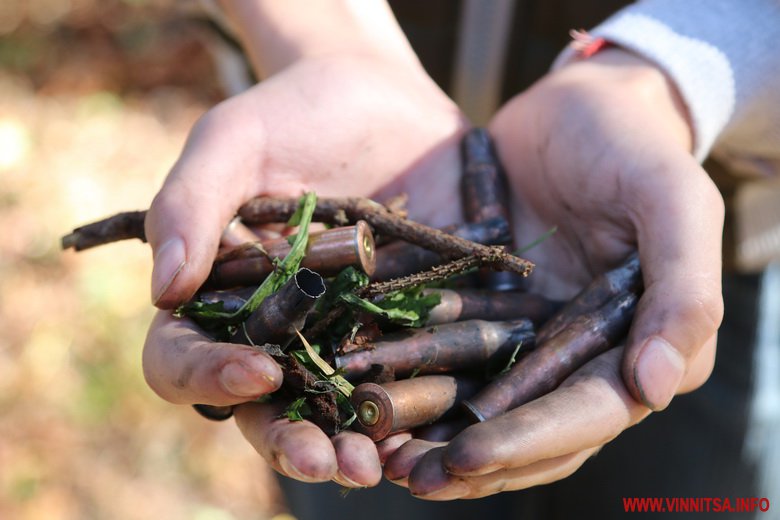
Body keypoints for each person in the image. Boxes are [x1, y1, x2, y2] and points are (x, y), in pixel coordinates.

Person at [141, 0, 780, 516]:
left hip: (689, 254)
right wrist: (325, 35)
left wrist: (661, 82)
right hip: (391, 440)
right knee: (372, 472)